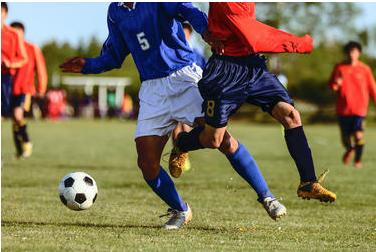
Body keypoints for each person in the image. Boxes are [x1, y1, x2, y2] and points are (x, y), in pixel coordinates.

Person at [60, 2, 285, 229]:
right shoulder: (115, 10)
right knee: (147, 163)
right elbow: (115, 55)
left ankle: (267, 197)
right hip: (152, 90)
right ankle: (180, 209)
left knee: (221, 139)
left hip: (184, 79)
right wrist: (88, 65)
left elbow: (189, 10)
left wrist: (206, 31)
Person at [170, 2, 337, 203]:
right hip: (225, 71)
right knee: (214, 139)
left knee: (291, 115)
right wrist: (299, 44)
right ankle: (182, 143)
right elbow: (254, 37)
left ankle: (308, 183)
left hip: (253, 66)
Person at [328, 41, 376, 168]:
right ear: (346, 53)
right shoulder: (340, 68)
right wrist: (336, 84)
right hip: (343, 110)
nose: (351, 54)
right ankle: (349, 149)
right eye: (349, 52)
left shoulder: (364, 69)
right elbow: (331, 86)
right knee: (345, 139)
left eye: (354, 52)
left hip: (359, 109)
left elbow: (373, 88)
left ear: (359, 53)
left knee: (358, 134)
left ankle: (357, 161)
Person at [171, 22, 208, 173]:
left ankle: (182, 150)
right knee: (176, 123)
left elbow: (206, 71)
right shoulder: (172, 51)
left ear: (190, 35)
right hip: (175, 90)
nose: (184, 37)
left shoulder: (196, 53)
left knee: (186, 124)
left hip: (193, 91)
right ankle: (179, 153)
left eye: (186, 34)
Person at [10, 21, 48, 158]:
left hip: (25, 89)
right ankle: (20, 150)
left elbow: (41, 69)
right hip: (8, 90)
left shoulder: (32, 48)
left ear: (23, 33)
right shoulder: (8, 49)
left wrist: (41, 89)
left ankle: (26, 142)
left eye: (17, 32)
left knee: (17, 115)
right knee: (14, 120)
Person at [1, 2, 28, 120]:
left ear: (5, 14)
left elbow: (23, 58)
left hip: (4, 77)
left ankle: (23, 138)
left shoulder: (13, 34)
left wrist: (10, 63)